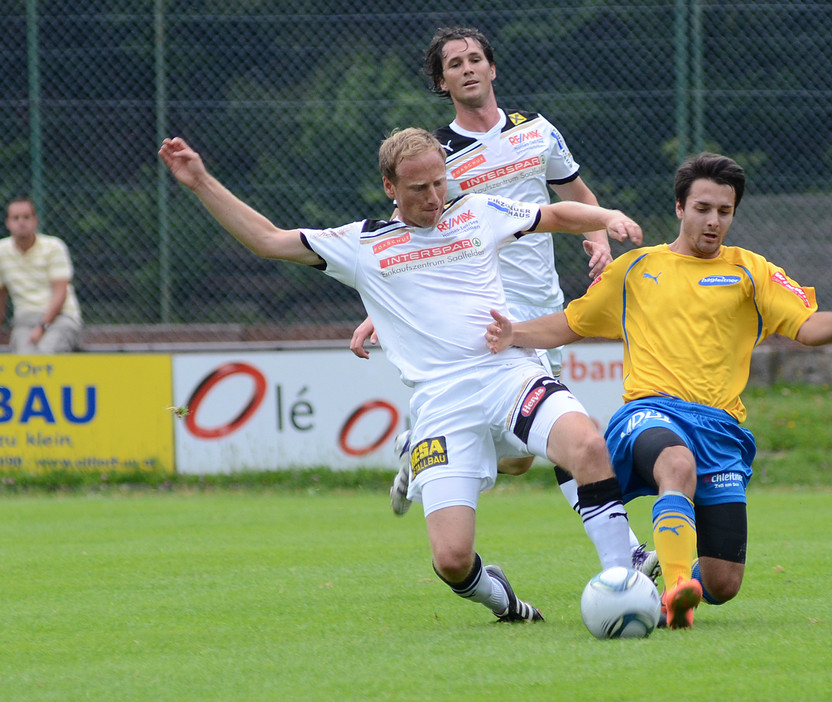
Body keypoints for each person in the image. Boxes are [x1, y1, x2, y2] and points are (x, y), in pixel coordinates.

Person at [159, 127, 644, 624]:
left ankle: (620, 581)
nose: (434, 197)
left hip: (508, 373)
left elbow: (554, 215)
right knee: (452, 561)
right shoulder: (362, 244)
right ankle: (505, 602)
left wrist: (606, 216)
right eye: (419, 189)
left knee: (587, 446)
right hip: (442, 404)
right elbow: (268, 240)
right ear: (390, 187)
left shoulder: (477, 211)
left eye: (439, 182)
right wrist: (201, 182)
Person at [485, 152, 832, 629]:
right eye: (702, 208)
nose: (713, 221)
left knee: (723, 582)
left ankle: (676, 583)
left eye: (724, 211)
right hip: (650, 413)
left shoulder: (752, 271)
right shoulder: (637, 269)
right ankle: (676, 593)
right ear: (679, 207)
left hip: (719, 428)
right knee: (676, 463)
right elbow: (572, 323)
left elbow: (809, 327)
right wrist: (513, 334)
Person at [349, 27, 658, 577]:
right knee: (568, 436)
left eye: (475, 58)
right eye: (454, 64)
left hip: (542, 302)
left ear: (492, 69)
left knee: (518, 459)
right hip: (484, 314)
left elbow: (576, 196)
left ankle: (423, 445)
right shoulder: (435, 156)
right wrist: (379, 312)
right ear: (441, 83)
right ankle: (627, 552)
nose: (467, 68)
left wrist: (598, 236)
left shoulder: (537, 130)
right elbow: (406, 244)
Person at [0, 197, 83, 353]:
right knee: (24, 360)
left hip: (60, 319)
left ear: (35, 221)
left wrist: (42, 326)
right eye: (15, 218)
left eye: (26, 217)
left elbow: (60, 292)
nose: (21, 222)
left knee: (46, 354)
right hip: (24, 322)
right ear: (7, 223)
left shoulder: (54, 247)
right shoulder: (1, 252)